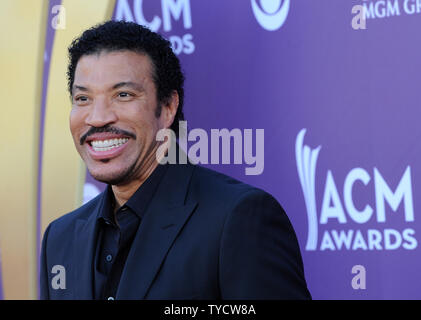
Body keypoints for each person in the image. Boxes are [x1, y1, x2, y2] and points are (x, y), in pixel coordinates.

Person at [40, 20, 311, 300]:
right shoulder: (60, 238)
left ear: (168, 107)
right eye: (83, 98)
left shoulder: (237, 218)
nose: (97, 117)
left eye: (123, 95)